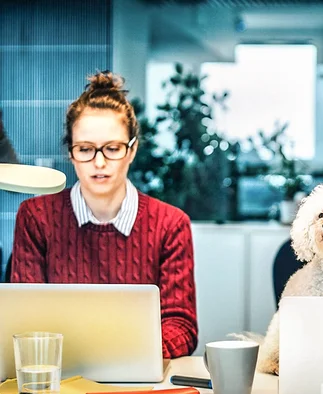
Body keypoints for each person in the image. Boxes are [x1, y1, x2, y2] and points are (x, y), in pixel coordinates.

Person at [11, 71, 198, 358]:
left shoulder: (170, 224)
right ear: (71, 154)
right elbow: (23, 321)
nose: (99, 162)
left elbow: (181, 326)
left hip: (140, 379)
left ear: (132, 150)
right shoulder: (36, 217)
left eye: (112, 148)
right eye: (85, 149)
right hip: (61, 381)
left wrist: (125, 355)